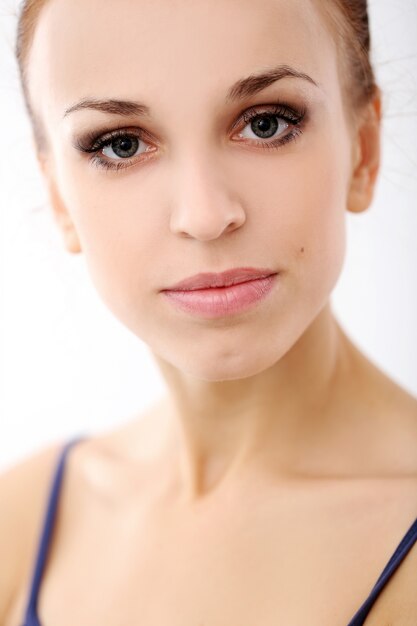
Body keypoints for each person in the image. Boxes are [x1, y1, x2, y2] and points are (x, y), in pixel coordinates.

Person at [1, 0, 416, 624]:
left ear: (363, 148)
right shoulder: (22, 523)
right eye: (120, 144)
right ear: (60, 198)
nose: (204, 214)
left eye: (266, 124)